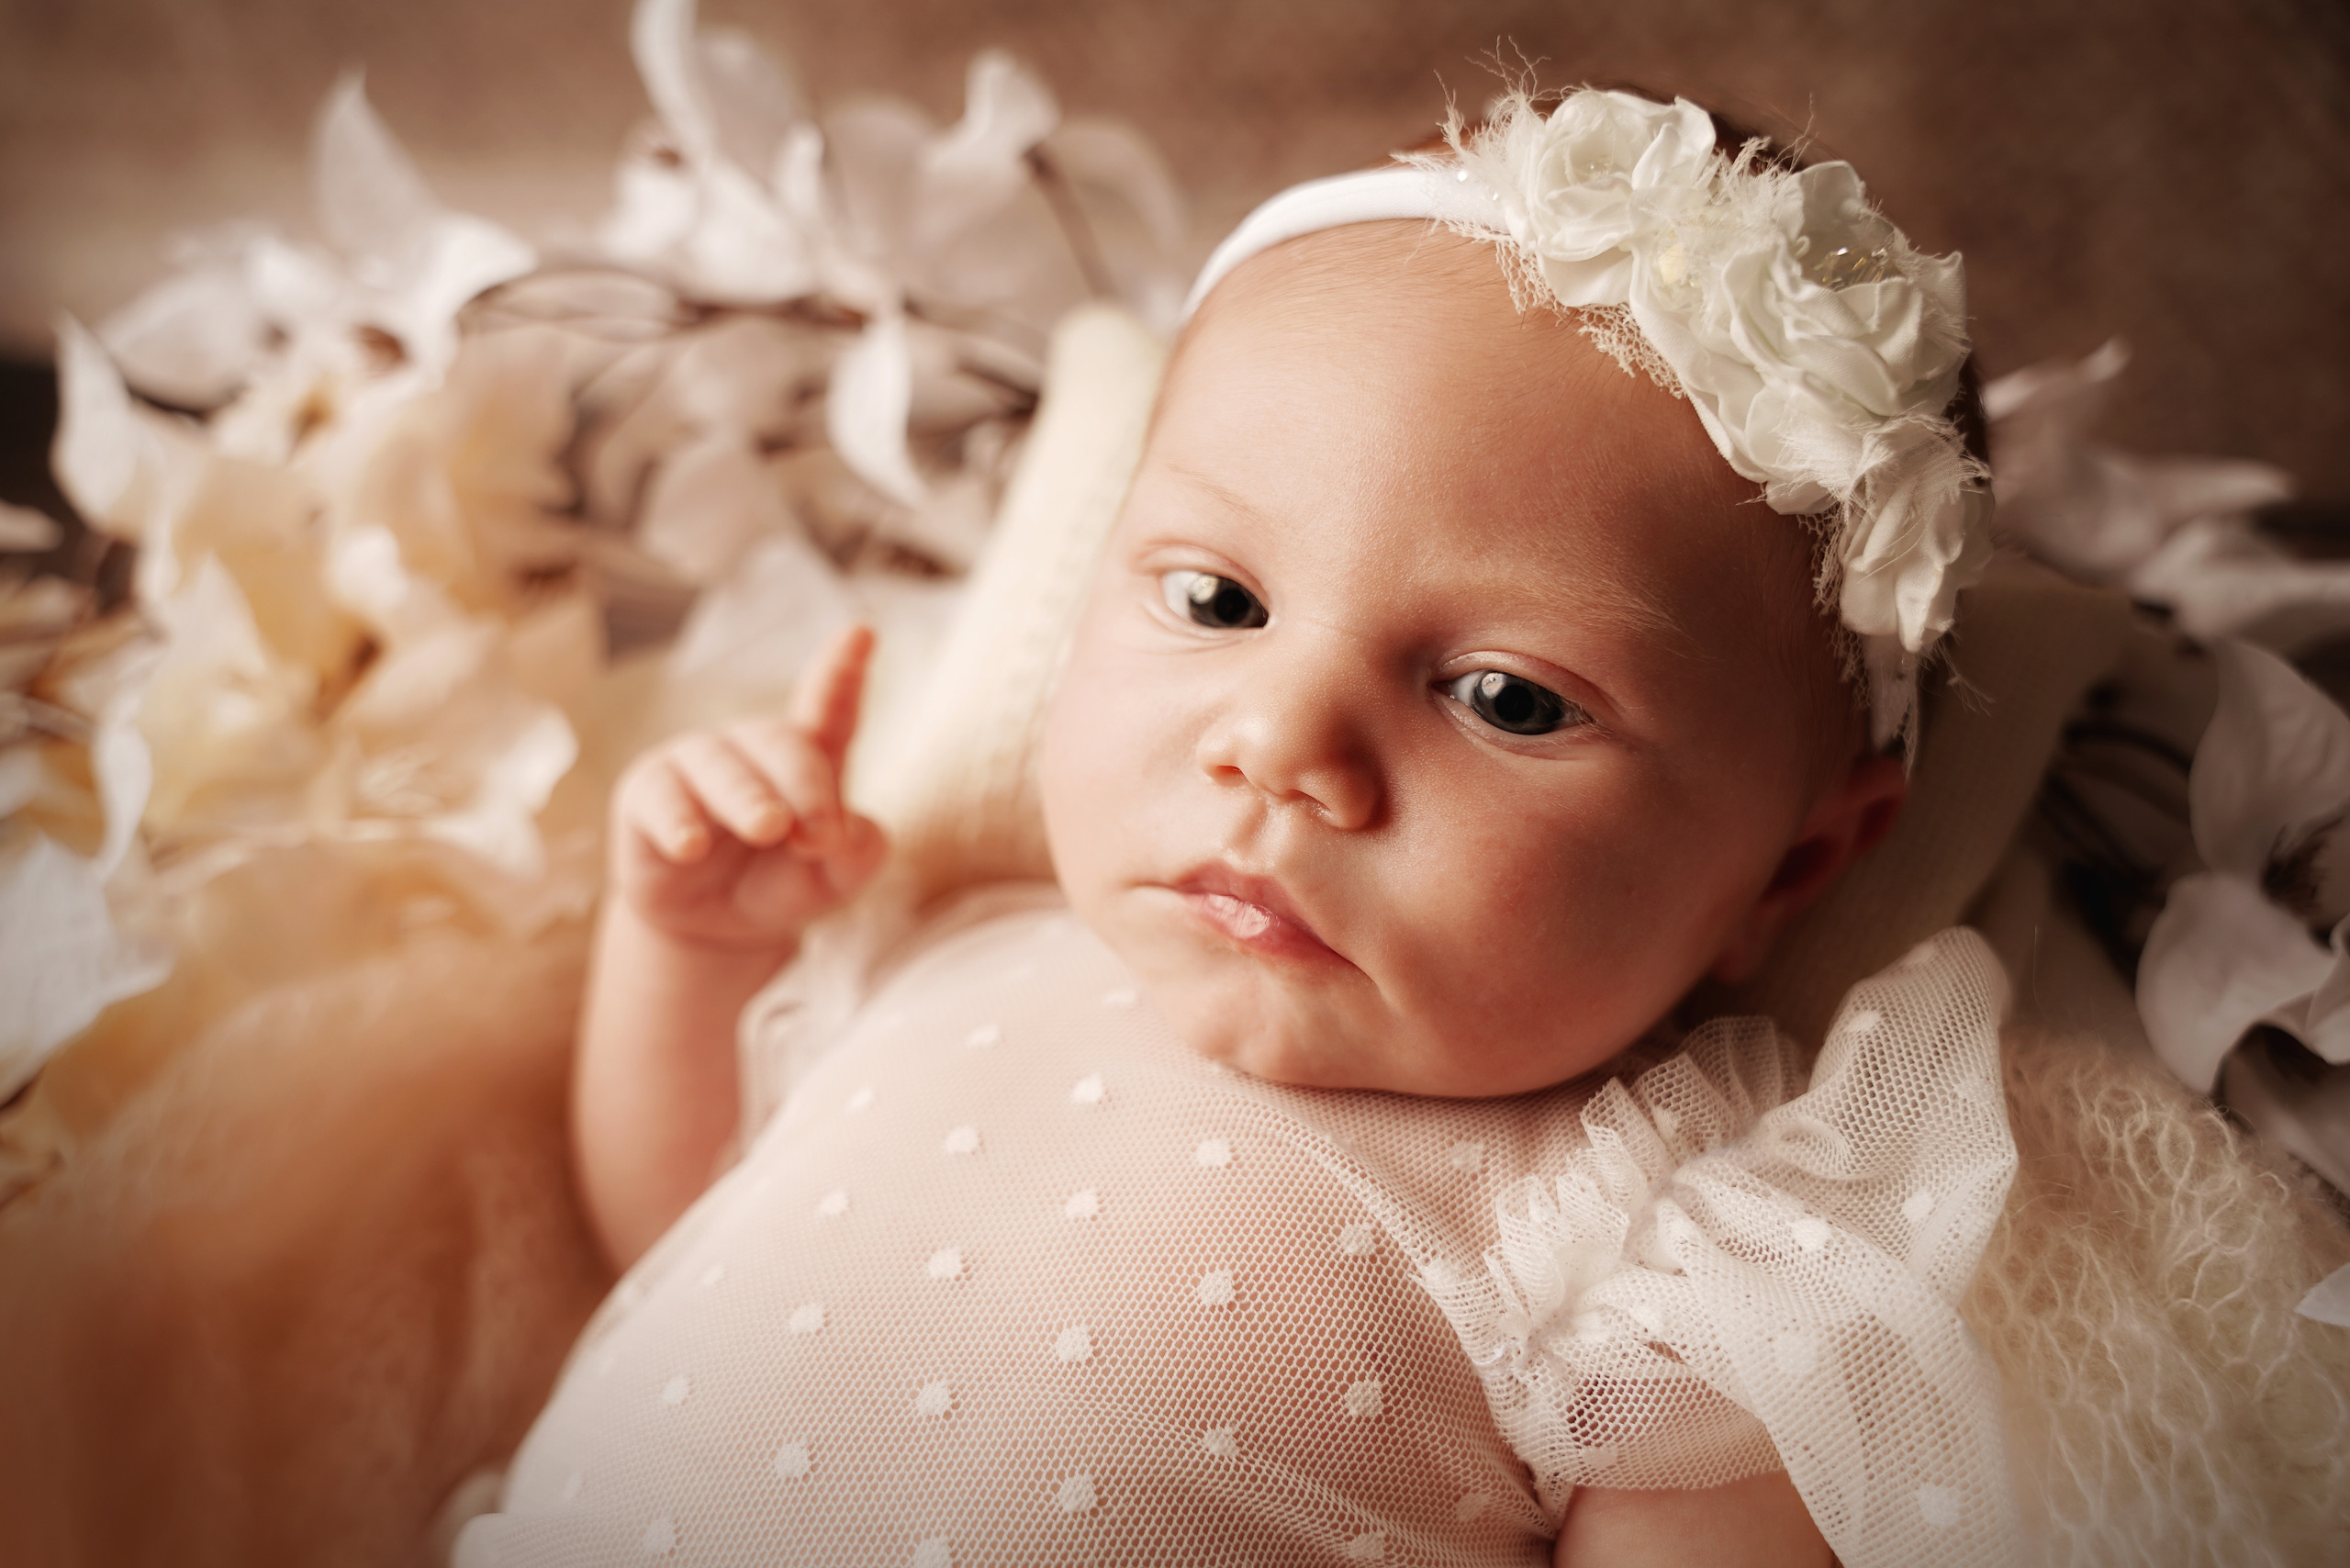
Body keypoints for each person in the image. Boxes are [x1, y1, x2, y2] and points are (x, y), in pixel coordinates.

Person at [460, 87, 2019, 1568]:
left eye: (1507, 699)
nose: (1280, 748)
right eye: (1221, 601)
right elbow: (667, 1233)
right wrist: (686, 945)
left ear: (1795, 865)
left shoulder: (1656, 1240)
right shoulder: (944, 944)